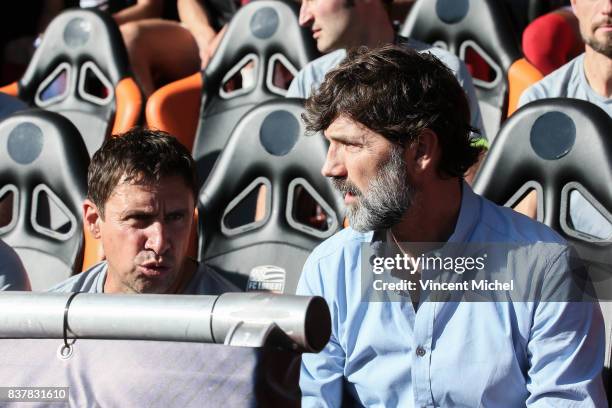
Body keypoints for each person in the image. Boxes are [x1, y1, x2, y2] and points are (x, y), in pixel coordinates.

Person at [296, 45, 606, 406]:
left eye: (349, 145)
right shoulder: (329, 269)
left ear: (421, 150)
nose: (330, 168)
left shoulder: (545, 269)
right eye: (330, 146)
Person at [50, 128, 236, 294]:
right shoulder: (48, 323)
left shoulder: (235, 324)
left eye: (176, 217)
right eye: (139, 218)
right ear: (93, 220)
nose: (159, 243)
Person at [287, 0, 486, 148]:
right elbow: (282, 175)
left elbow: (471, 163)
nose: (303, 18)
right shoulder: (309, 80)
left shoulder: (442, 72)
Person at [518, 0, 612, 239]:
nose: (608, 7)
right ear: (575, 4)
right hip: (566, 264)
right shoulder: (542, 101)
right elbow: (523, 215)